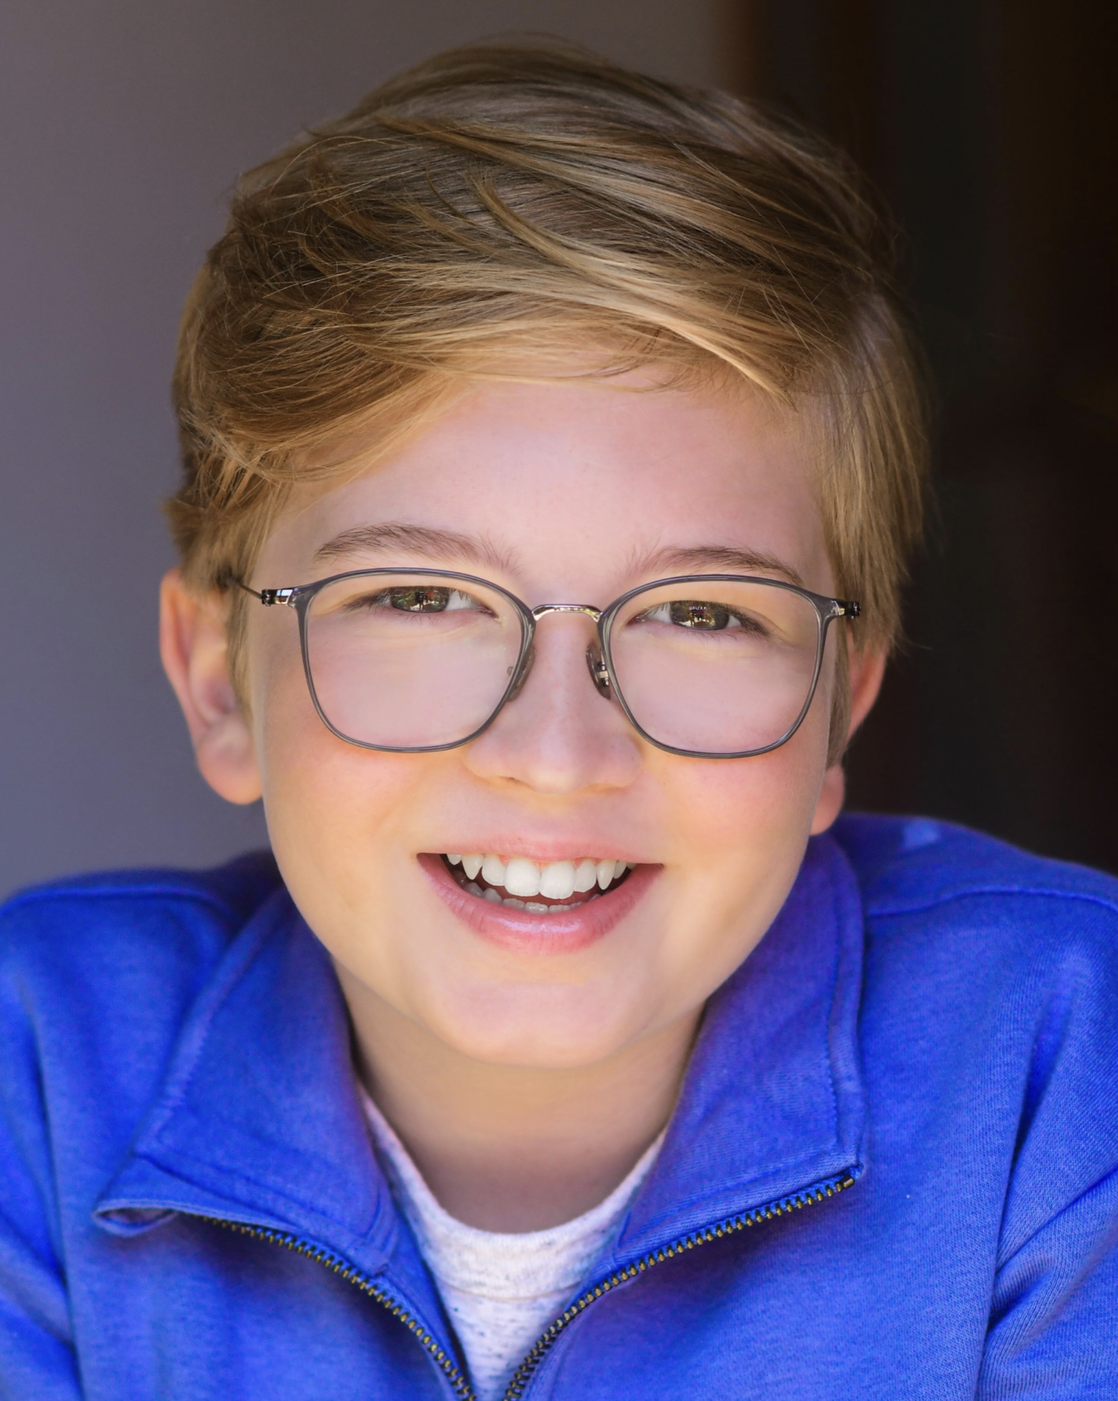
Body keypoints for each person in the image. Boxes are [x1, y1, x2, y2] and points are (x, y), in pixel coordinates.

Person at [2, 40, 1116, 1401]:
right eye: (420, 598)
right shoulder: (38, 1070)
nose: (553, 756)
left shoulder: (1059, 1060)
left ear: (840, 705)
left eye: (700, 614)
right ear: (222, 682)